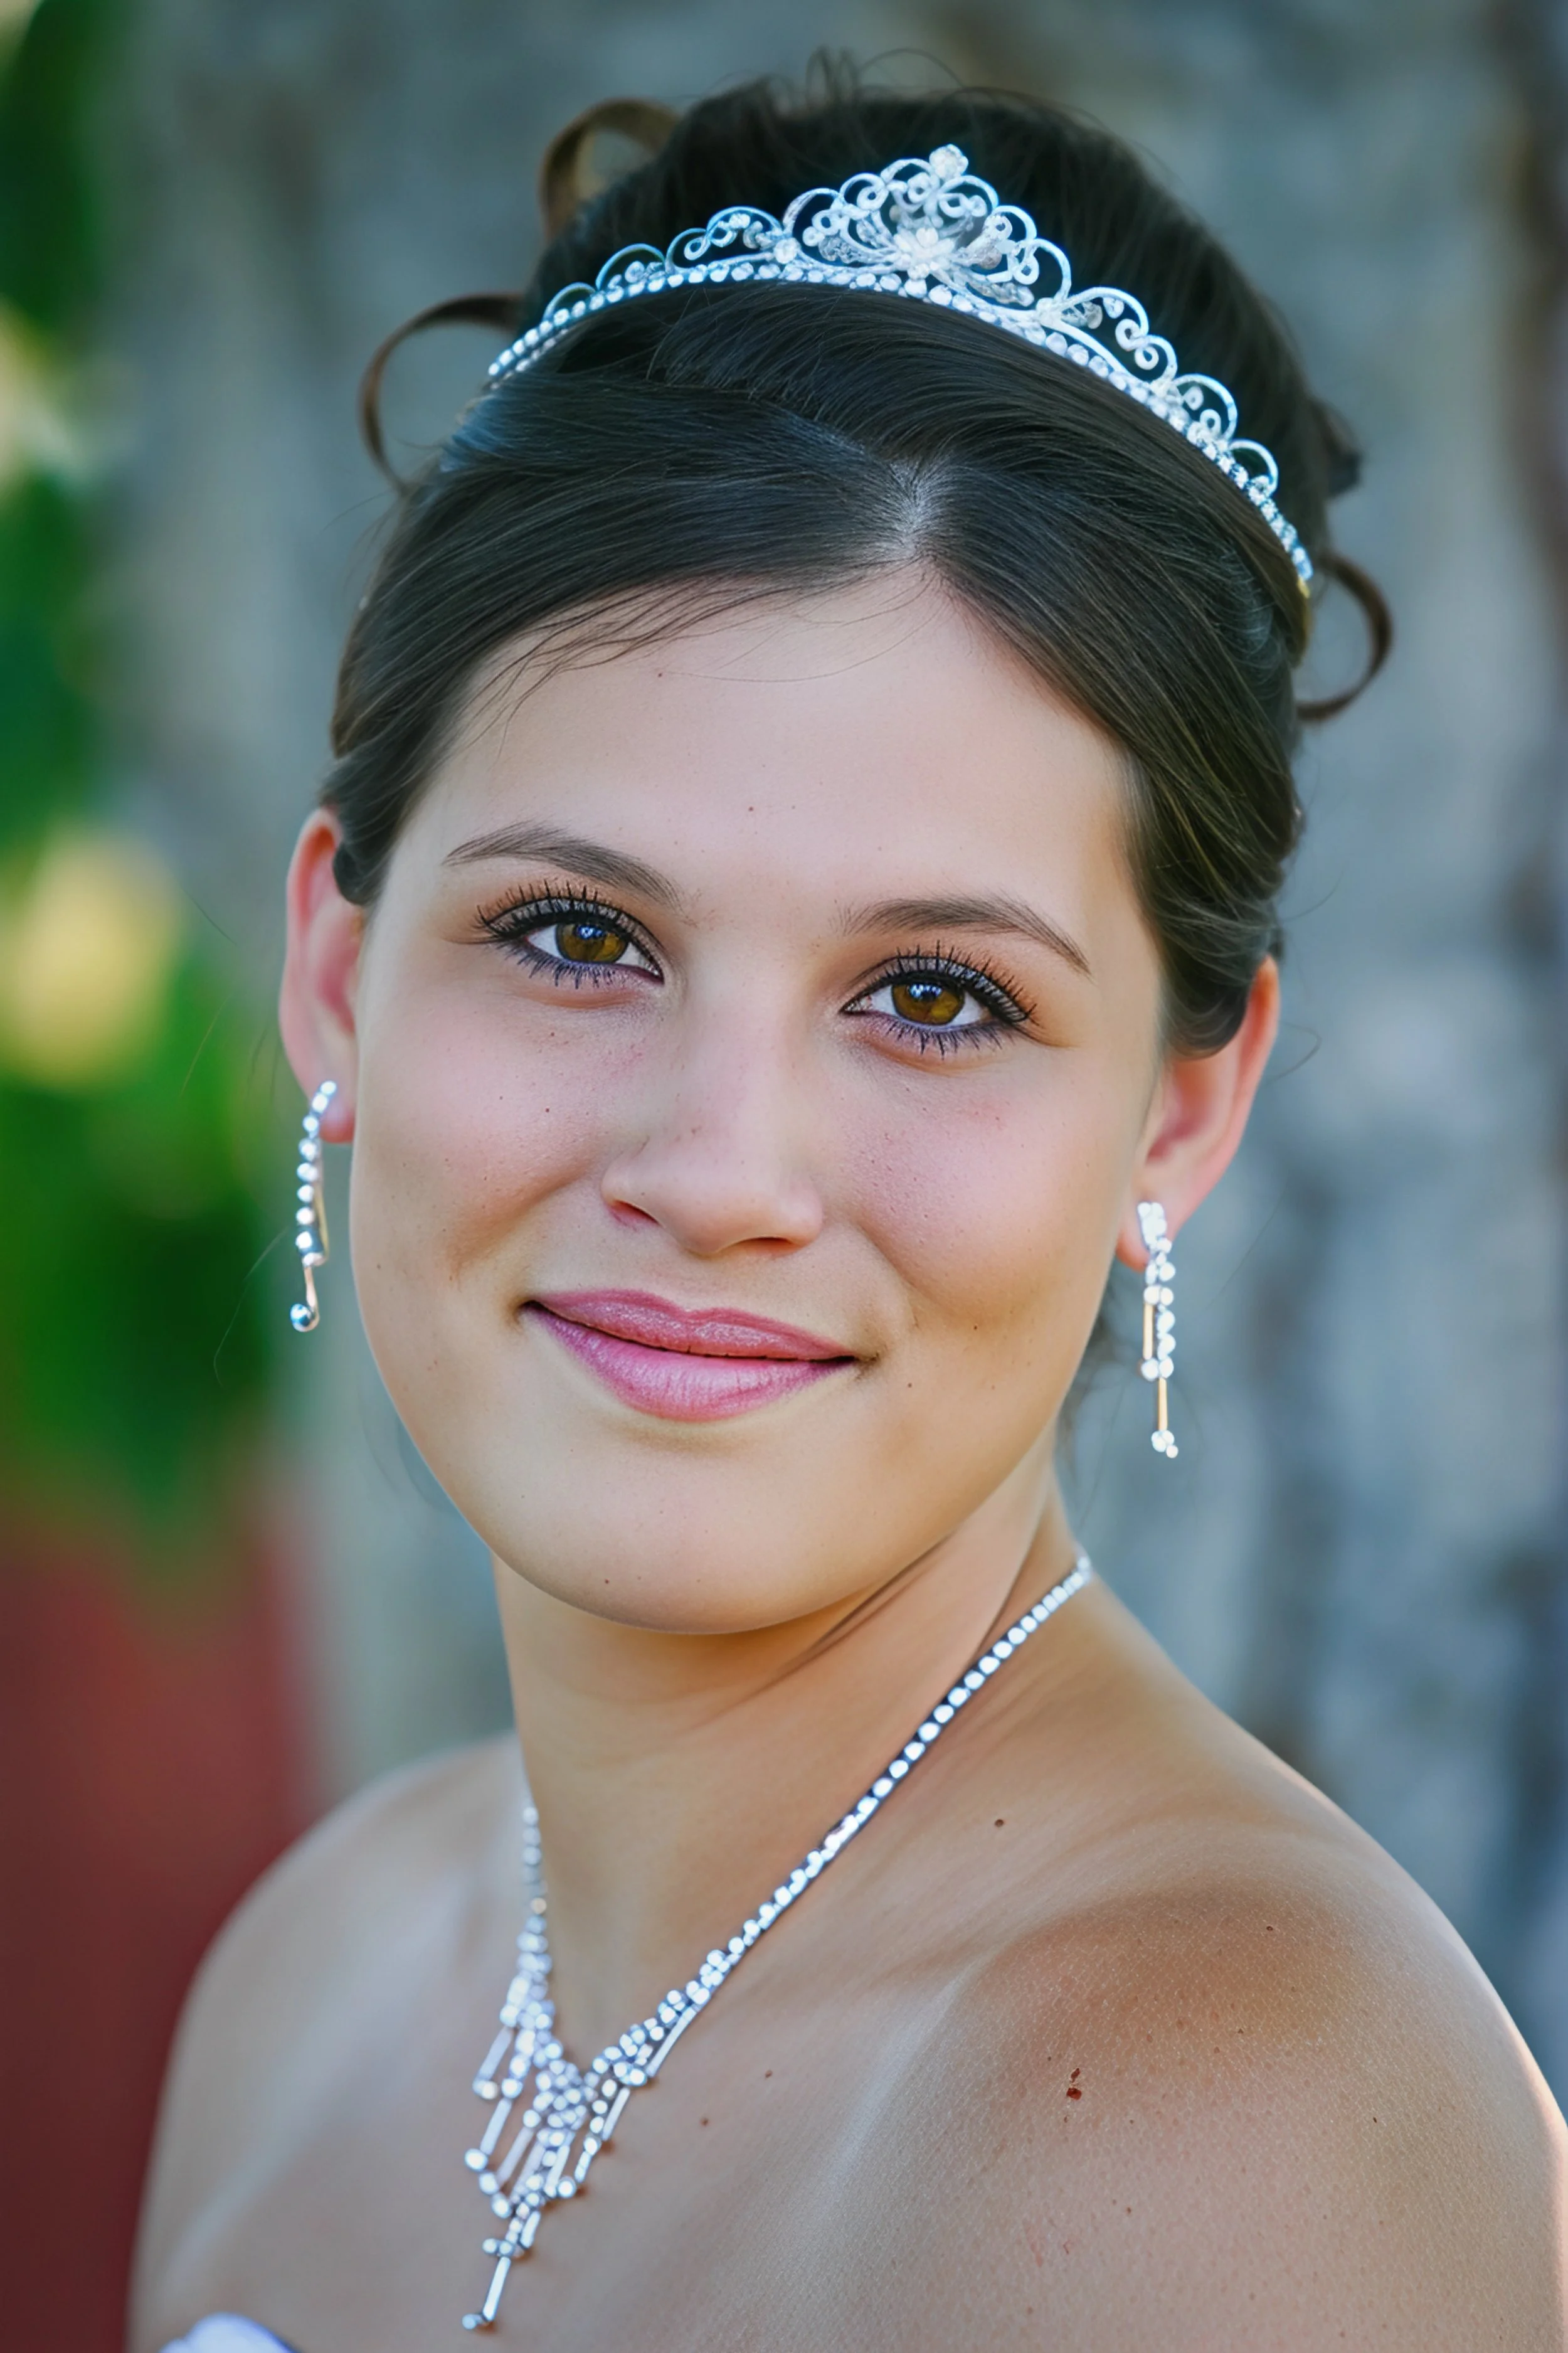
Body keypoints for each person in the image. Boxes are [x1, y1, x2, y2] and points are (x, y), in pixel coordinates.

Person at [131, 73, 1567, 2353]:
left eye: (933, 992)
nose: (717, 1170)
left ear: (1182, 1112)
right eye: (579, 935)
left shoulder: (1227, 2136)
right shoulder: (308, 1980)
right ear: (337, 967)